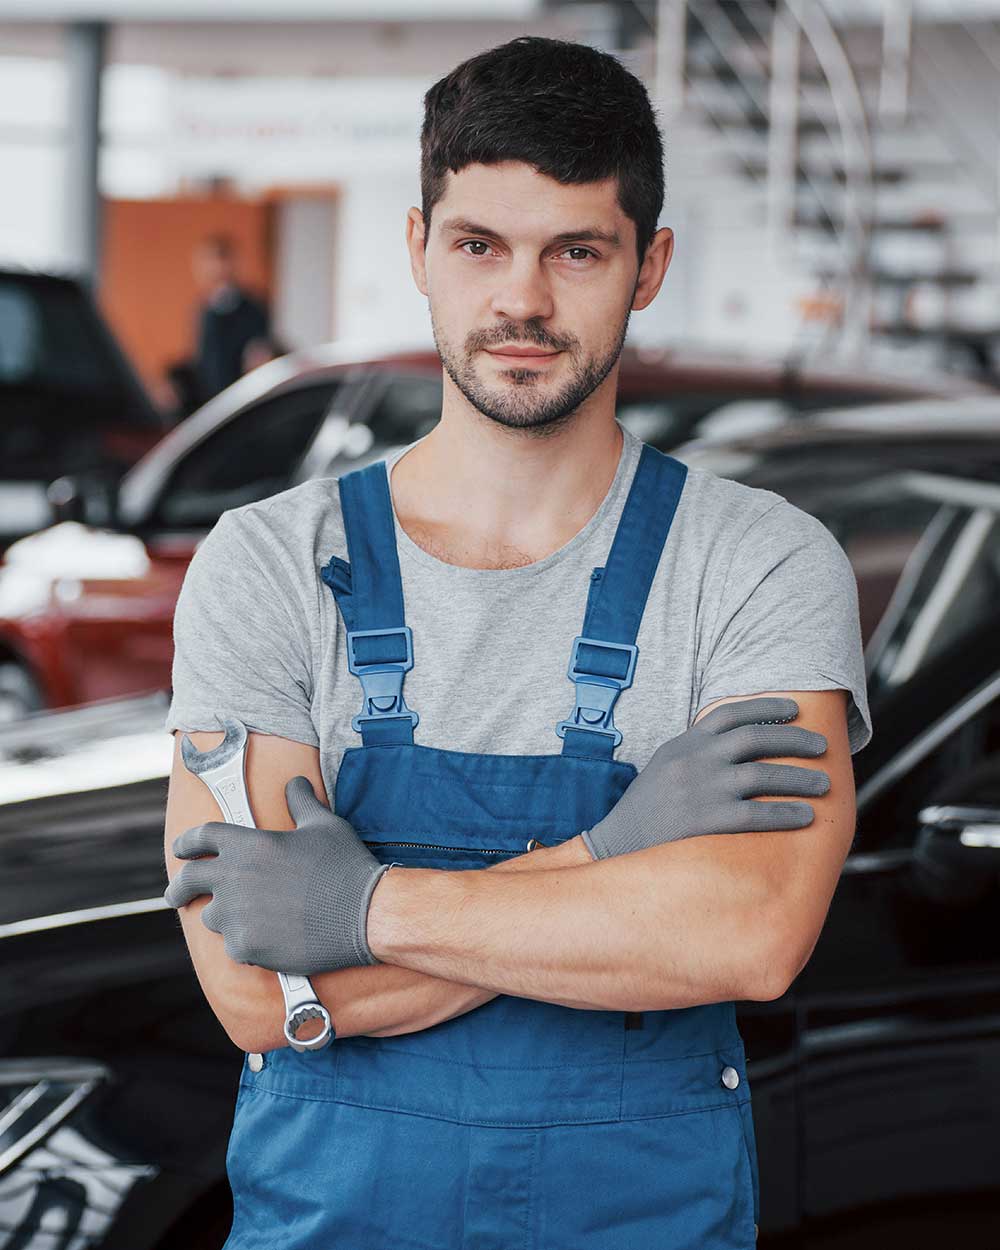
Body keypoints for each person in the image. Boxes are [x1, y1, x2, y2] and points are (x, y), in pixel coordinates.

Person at [161, 34, 872, 1249]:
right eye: (479, 244)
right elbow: (261, 989)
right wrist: (612, 851)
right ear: (418, 250)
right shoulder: (269, 562)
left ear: (647, 266)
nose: (523, 301)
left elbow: (746, 936)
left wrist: (360, 907)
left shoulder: (758, 561)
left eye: (575, 251)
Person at [191, 233, 272, 402]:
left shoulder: (253, 308)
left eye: (217, 260)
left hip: (241, 400)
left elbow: (259, 354)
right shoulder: (204, 309)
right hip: (210, 401)